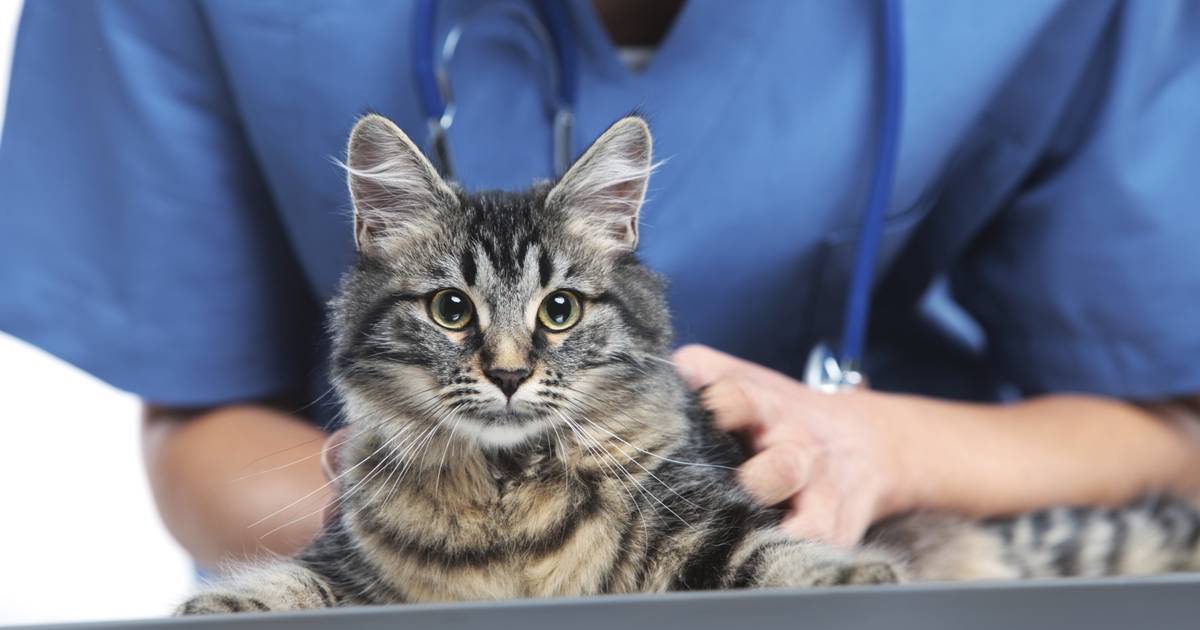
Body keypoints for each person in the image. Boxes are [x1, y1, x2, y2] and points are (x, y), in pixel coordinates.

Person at [2, 0, 1199, 570]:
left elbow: (1169, 422)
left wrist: (879, 446)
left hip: (895, 553)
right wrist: (417, 539)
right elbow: (189, 405)